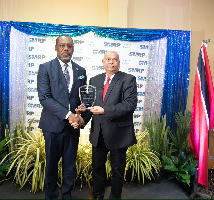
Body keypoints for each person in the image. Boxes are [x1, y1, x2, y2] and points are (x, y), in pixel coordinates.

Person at [37, 35, 88, 199]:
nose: (66, 49)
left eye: (69, 46)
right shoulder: (45, 68)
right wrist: (69, 115)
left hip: (72, 129)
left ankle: (67, 196)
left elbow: (83, 99)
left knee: (69, 166)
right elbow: (44, 97)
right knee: (51, 165)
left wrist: (80, 116)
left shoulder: (81, 71)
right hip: (52, 126)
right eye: (62, 45)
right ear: (56, 47)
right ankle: (51, 197)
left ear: (73, 48)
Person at [82, 51, 138, 199]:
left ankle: (115, 197)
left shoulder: (128, 79)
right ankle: (98, 196)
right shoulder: (94, 80)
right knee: (97, 168)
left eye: (114, 60)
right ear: (103, 62)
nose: (111, 62)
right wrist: (81, 117)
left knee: (118, 169)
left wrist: (105, 110)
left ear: (119, 63)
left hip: (118, 134)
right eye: (108, 59)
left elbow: (129, 105)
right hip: (98, 133)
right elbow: (90, 105)